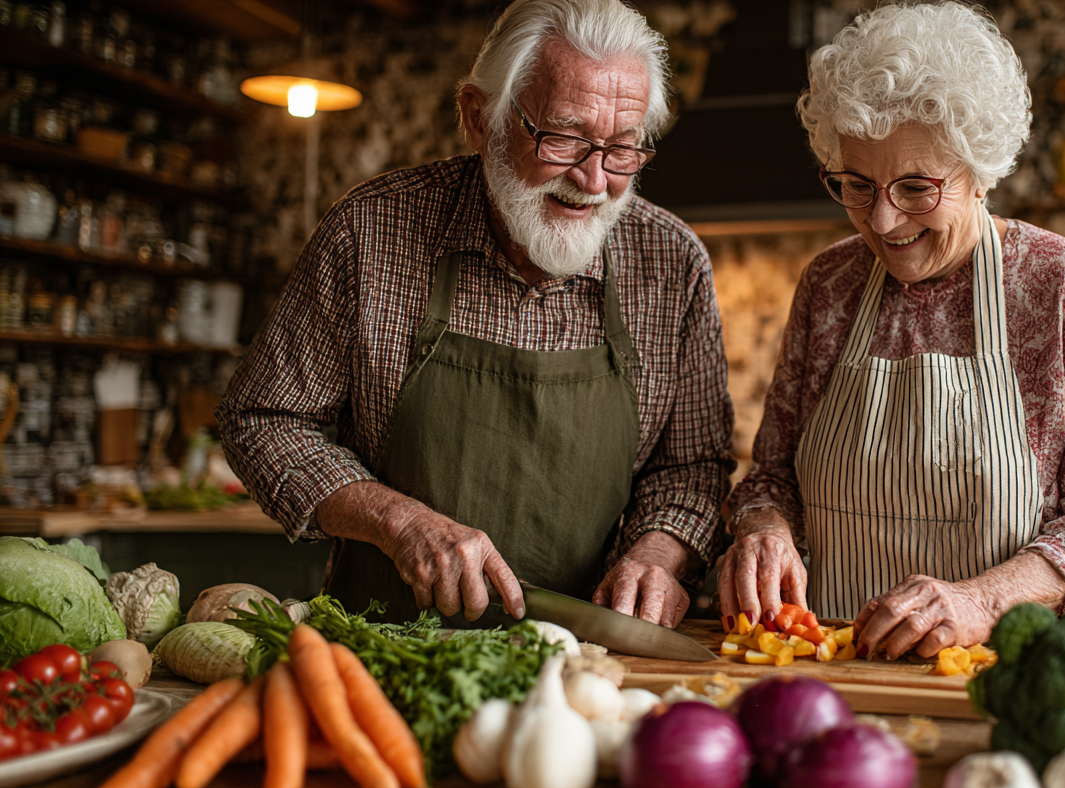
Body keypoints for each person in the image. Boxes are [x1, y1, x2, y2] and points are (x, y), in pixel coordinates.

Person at [217, 0, 734, 629]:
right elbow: (263, 419)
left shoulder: (672, 262)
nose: (595, 181)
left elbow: (690, 468)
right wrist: (398, 521)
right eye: (564, 138)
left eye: (622, 149)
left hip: (584, 657)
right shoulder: (370, 231)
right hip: (382, 644)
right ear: (479, 117)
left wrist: (658, 554)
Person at [720, 1, 1065, 660]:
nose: (884, 221)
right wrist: (763, 527)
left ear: (980, 172)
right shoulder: (829, 285)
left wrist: (981, 600)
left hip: (999, 676)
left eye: (916, 188)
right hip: (838, 667)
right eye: (857, 185)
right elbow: (772, 479)